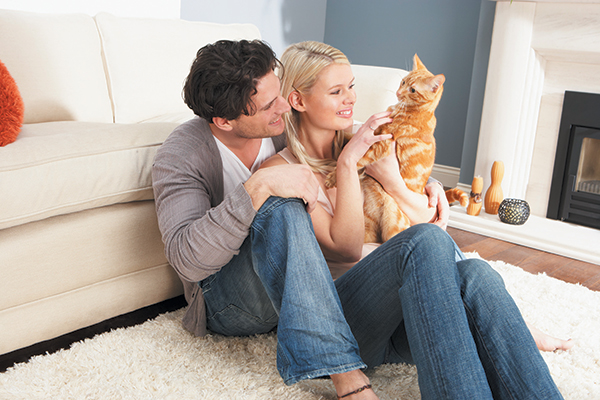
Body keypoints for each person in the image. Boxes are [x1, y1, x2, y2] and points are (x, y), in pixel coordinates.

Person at [259, 40, 569, 399]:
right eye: (336, 91)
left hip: (408, 314)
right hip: (345, 324)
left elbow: (424, 215)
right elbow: (345, 250)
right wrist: (346, 164)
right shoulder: (282, 172)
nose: (351, 99)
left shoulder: (366, 140)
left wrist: (425, 186)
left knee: (478, 275)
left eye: (352, 86)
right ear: (298, 100)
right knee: (423, 244)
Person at [152, 39, 449, 399]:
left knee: (436, 261)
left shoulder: (283, 126)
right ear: (224, 121)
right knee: (281, 203)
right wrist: (257, 187)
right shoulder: (182, 153)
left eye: (280, 94)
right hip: (228, 301)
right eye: (268, 106)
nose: (283, 107)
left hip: (293, 292)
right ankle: (348, 379)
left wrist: (428, 185)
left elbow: (369, 150)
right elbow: (187, 260)